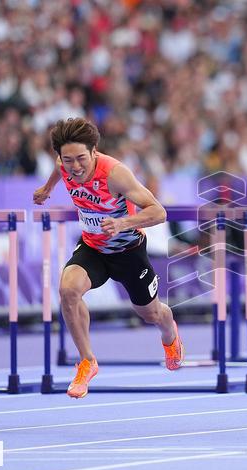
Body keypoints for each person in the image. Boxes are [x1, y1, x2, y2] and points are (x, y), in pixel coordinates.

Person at [33, 118, 184, 398]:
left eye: (81, 159)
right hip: (93, 248)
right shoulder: (62, 165)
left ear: (94, 152)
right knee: (68, 290)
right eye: (68, 160)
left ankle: (170, 335)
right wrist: (47, 189)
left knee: (151, 314)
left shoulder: (115, 173)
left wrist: (123, 223)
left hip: (128, 251)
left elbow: (159, 212)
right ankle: (87, 361)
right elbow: (58, 171)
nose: (75, 167)